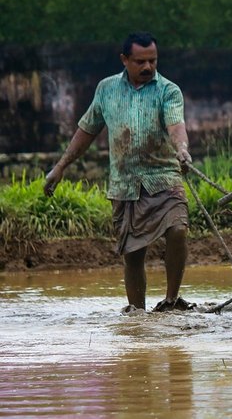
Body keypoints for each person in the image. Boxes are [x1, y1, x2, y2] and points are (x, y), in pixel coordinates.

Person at [43, 32, 194, 313]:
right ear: (125, 60)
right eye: (140, 61)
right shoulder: (107, 89)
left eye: (153, 60)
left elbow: (176, 124)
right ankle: (137, 313)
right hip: (124, 185)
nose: (148, 67)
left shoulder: (168, 90)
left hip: (164, 178)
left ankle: (172, 300)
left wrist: (181, 148)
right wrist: (60, 167)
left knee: (178, 230)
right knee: (133, 255)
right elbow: (87, 129)